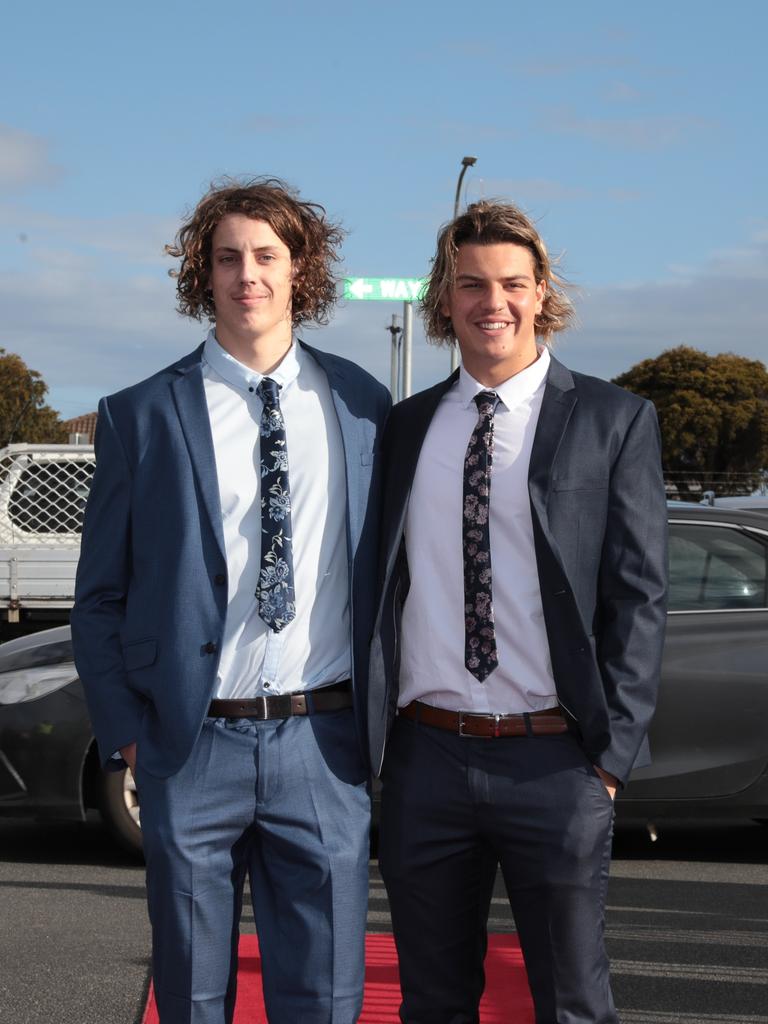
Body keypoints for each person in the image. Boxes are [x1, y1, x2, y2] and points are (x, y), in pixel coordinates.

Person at [71, 177, 390, 1024]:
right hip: (190, 746)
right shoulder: (139, 414)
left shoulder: (365, 406)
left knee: (324, 998)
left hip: (325, 746)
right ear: (203, 275)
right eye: (227, 258)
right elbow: (98, 597)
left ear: (299, 271)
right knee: (192, 998)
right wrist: (129, 735)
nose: (247, 274)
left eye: (266, 255)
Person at [368, 200, 668, 1023]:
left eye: (510, 283)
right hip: (426, 758)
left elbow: (639, 597)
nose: (489, 301)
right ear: (445, 298)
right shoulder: (406, 428)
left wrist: (608, 761)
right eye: (470, 285)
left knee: (572, 1003)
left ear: (541, 292)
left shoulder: (615, 419)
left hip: (557, 761)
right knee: (430, 1003)